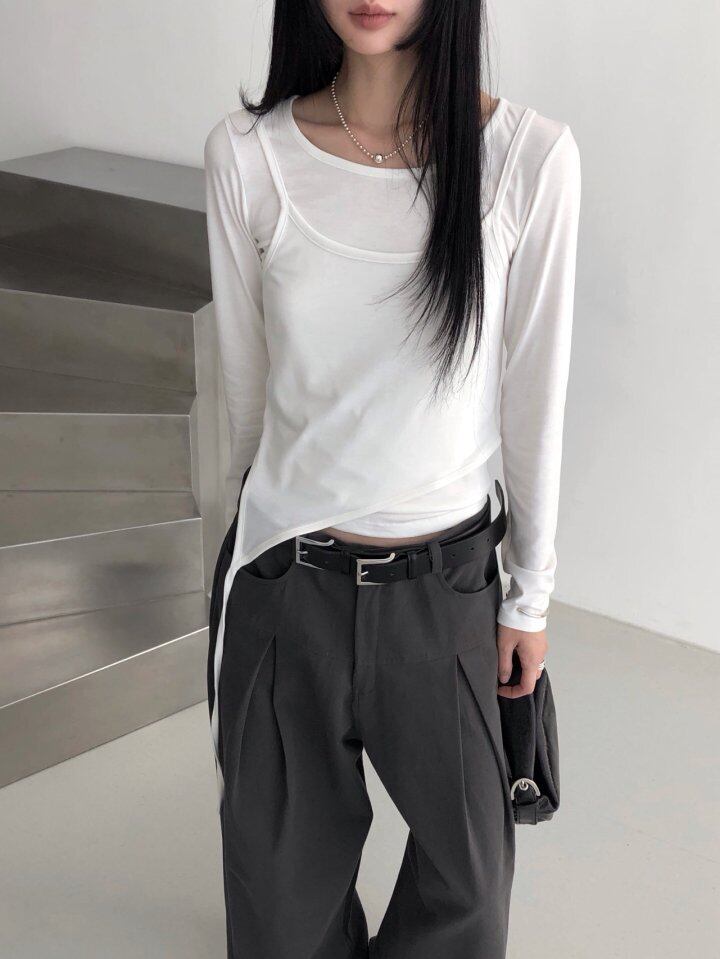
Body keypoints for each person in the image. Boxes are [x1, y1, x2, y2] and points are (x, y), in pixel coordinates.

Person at [203, 1, 581, 956]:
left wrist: (529, 597)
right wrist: (239, 583)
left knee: (469, 897)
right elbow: (246, 403)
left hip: (443, 590)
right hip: (289, 581)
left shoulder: (529, 159)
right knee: (279, 914)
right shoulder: (248, 156)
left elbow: (534, 401)